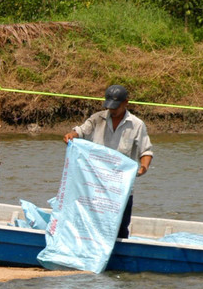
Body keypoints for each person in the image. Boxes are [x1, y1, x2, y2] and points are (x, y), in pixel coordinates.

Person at [63, 84, 153, 238]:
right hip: (96, 184)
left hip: (121, 187)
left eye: (116, 107)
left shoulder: (136, 124)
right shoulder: (98, 119)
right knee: (93, 224)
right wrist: (72, 135)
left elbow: (146, 151)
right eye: (110, 106)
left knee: (120, 228)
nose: (112, 110)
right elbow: (81, 131)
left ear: (126, 103)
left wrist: (143, 167)